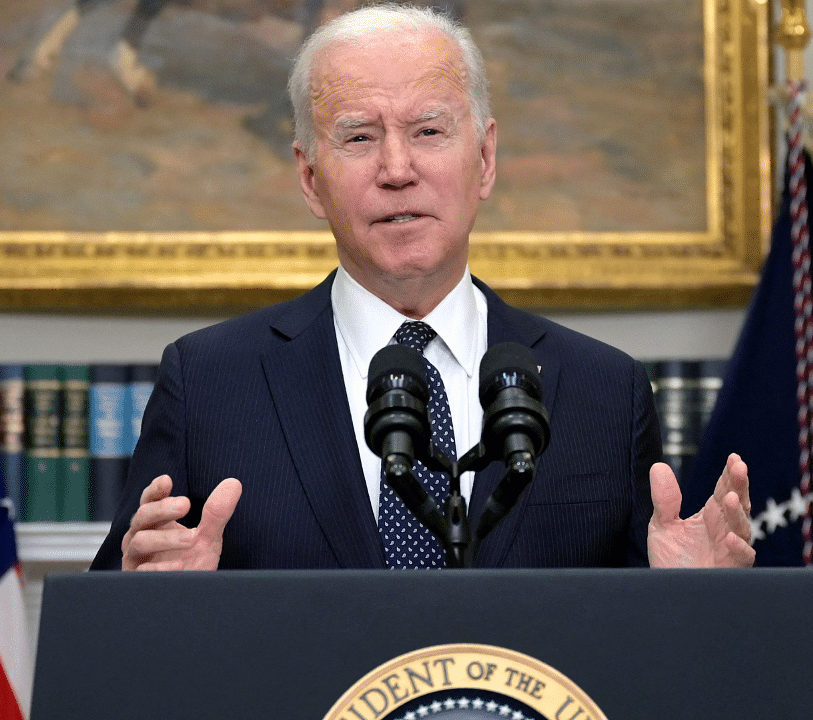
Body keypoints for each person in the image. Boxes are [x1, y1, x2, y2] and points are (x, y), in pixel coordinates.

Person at [90, 4, 754, 572]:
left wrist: (688, 597)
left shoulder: (605, 391)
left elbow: (637, 663)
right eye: (358, 137)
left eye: (429, 132)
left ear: (486, 159)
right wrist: (150, 599)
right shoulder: (210, 382)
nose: (397, 169)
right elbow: (116, 648)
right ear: (309, 177)